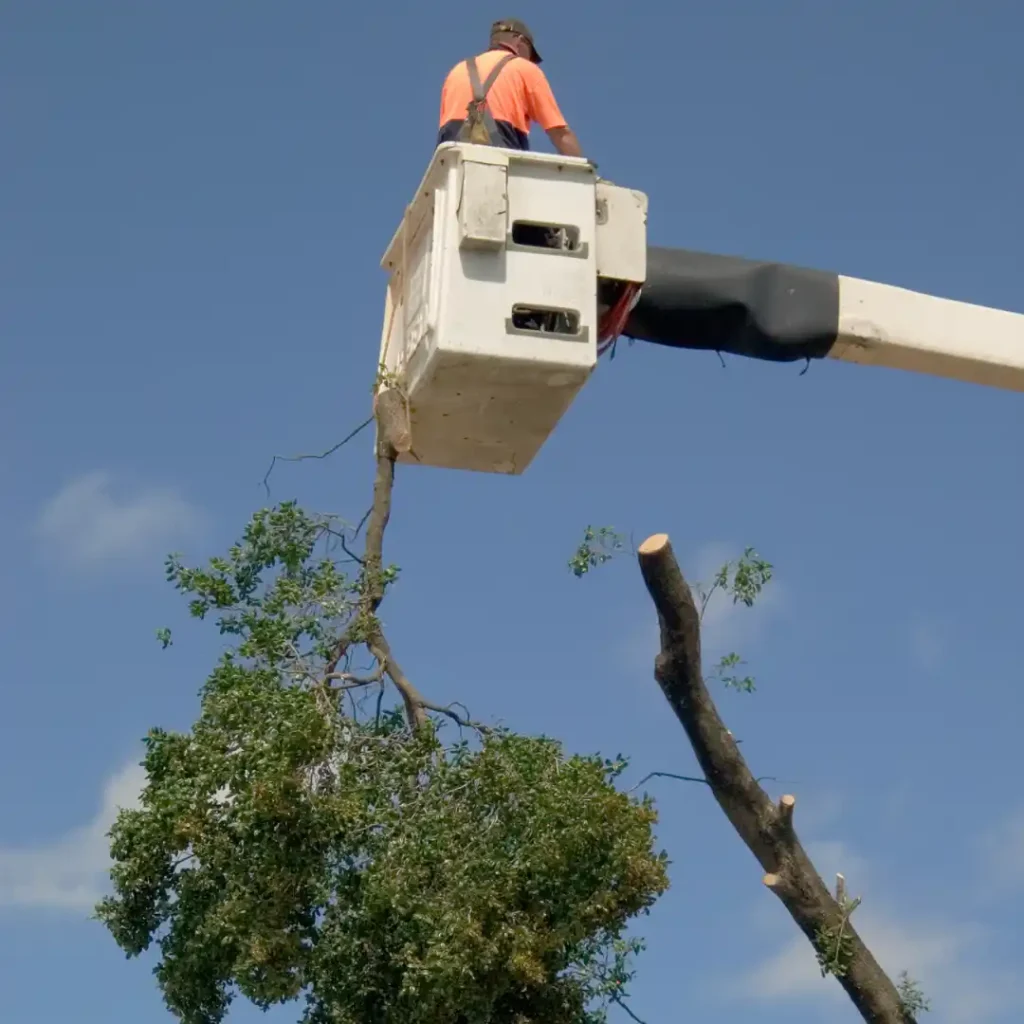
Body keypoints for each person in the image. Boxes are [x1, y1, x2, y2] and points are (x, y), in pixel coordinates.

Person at [437, 19, 584, 158]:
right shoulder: (524, 68)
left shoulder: (456, 71)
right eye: (530, 54)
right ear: (520, 41)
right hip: (500, 159)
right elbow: (559, 132)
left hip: (452, 161)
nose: (530, 60)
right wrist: (584, 175)